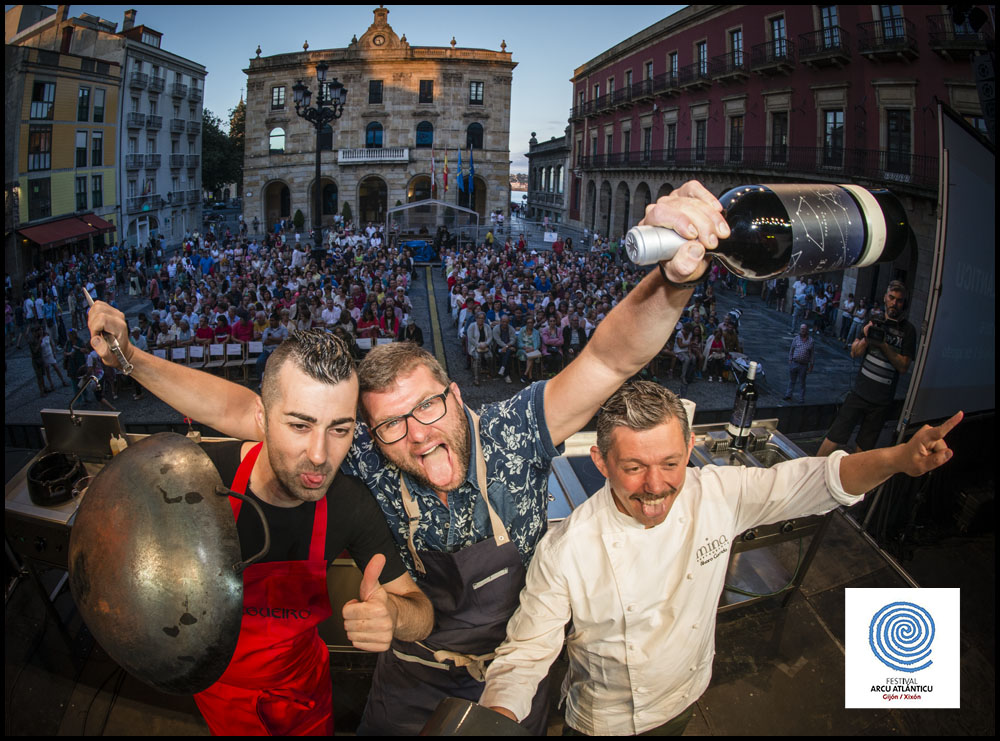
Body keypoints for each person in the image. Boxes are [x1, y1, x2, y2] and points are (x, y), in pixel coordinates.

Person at [84, 179, 730, 735]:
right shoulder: (359, 459)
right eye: (390, 424)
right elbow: (247, 411)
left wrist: (672, 280)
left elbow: (611, 357)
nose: (417, 436)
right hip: (411, 677)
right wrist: (131, 359)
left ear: (455, 395)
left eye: (427, 407)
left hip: (516, 671)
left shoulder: (516, 428)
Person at [480, 381, 962, 736]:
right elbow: (526, 653)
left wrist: (898, 459)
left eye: (671, 464)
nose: (655, 486)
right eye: (633, 467)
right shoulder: (568, 549)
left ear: (690, 449)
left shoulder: (717, 494)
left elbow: (812, 481)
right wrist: (491, 722)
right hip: (608, 720)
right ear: (601, 463)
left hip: (688, 691)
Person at [85, 321, 433, 735]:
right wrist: (130, 357)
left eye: (339, 429)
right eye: (299, 426)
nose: (320, 456)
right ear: (262, 418)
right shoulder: (206, 478)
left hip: (303, 695)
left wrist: (394, 614)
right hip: (218, 692)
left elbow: (421, 613)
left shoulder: (350, 505)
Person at [818, 281, 916, 456]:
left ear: (904, 304)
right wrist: (867, 339)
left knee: (864, 447)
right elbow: (854, 352)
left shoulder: (908, 331)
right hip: (859, 393)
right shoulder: (873, 321)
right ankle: (811, 472)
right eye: (891, 298)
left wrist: (884, 346)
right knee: (835, 435)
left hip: (881, 401)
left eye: (899, 300)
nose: (894, 303)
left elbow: (903, 367)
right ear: (885, 298)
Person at [785, 323, 815, 403]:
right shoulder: (796, 339)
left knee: (802, 382)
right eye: (802, 329)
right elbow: (791, 350)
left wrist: (811, 365)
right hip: (794, 362)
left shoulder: (811, 341)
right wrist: (790, 360)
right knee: (792, 380)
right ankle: (788, 395)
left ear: (807, 330)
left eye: (804, 329)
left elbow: (812, 355)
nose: (803, 330)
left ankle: (801, 398)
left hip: (804, 365)